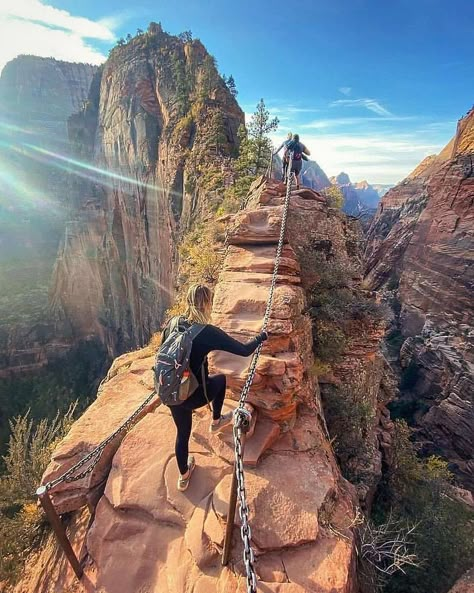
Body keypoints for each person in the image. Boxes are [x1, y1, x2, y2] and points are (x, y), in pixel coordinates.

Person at [161, 284, 268, 491]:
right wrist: (261, 337)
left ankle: (184, 476)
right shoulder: (206, 332)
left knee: (182, 434)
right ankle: (216, 421)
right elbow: (244, 351)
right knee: (219, 380)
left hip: (170, 391)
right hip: (192, 395)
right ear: (208, 304)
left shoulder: (173, 323)